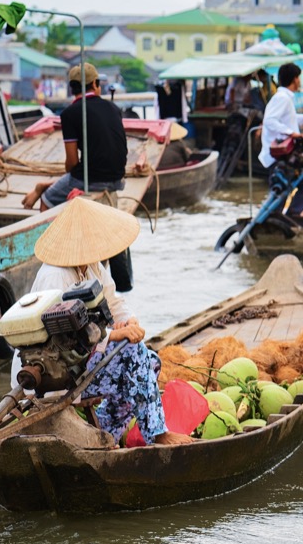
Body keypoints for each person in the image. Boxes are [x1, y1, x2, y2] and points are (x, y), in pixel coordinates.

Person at [15, 196, 194, 446]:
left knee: (150, 363)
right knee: (133, 355)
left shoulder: (90, 267)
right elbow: (59, 342)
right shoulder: (54, 277)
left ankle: (106, 433)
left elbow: (113, 301)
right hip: (56, 374)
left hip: (83, 362)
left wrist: (129, 321)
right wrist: (114, 336)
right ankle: (157, 434)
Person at [22, 62, 127, 211]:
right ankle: (51, 186)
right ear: (95, 84)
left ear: (72, 88)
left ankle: (46, 194)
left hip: (93, 179)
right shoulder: (114, 108)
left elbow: (71, 162)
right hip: (118, 180)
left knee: (47, 200)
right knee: (74, 178)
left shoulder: (69, 114)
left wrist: (69, 176)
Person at [258, 63, 303, 216]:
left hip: (284, 156)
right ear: (295, 79)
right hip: (278, 156)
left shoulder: (284, 98)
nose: (299, 81)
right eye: (299, 78)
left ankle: (283, 219)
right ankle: (288, 218)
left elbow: (290, 118)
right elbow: (270, 120)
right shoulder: (282, 98)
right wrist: (292, 134)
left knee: (288, 189)